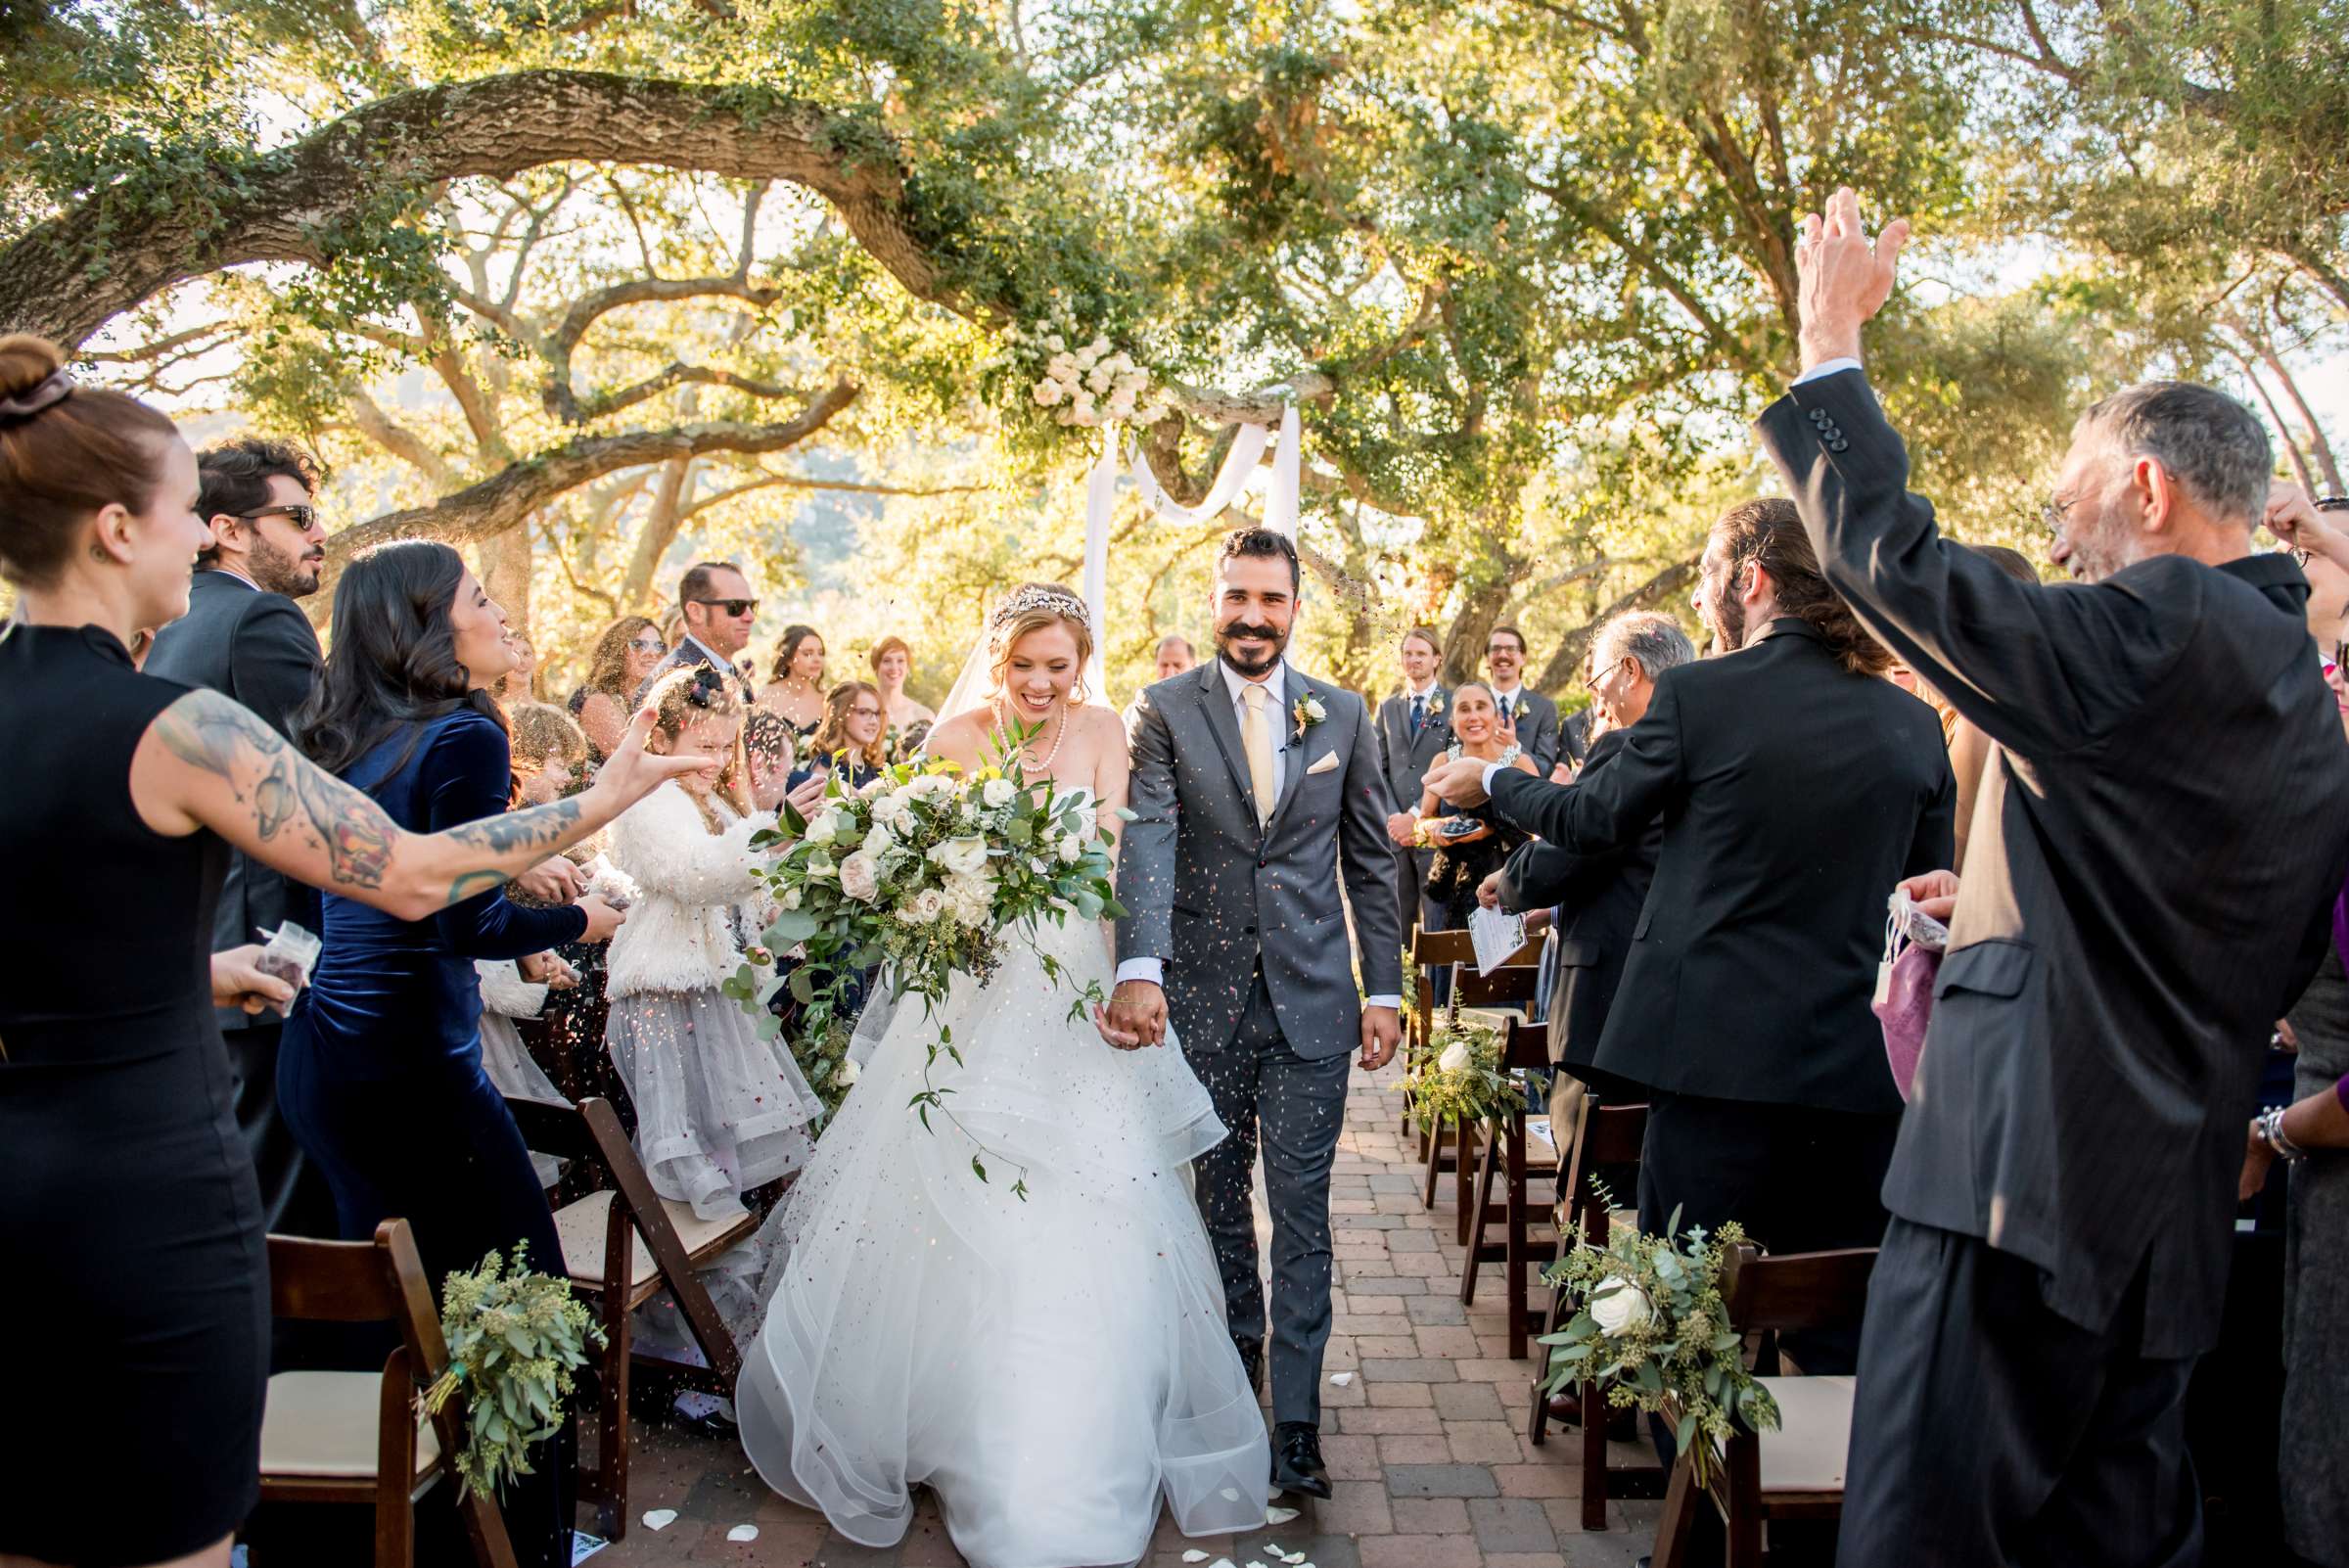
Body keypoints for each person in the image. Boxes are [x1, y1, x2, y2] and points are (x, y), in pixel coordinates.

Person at [0, 335, 707, 1568]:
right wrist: (606, 797)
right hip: (144, 1199)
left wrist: (189, 973)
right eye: (184, 517)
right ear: (118, 529)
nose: (199, 545)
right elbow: (419, 874)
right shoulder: (181, 731)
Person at [1758, 188, 2349, 1568]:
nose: (2062, 538)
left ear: (2149, 487)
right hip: (2170, 1227)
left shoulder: (2161, 626)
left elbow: (1893, 560)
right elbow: (2181, 909)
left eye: (2069, 503)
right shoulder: (2303, 701)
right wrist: (2021, 901)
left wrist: (1829, 339)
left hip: (2017, 1193)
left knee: (1918, 1533)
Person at [738, 582, 1270, 1567]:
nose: (1038, 683)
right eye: (1023, 666)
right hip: (974, 999)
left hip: (1073, 992)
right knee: (948, 1191)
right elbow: (919, 880)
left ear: (1082, 663)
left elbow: (1119, 869)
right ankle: (950, 1410)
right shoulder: (953, 742)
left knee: (1084, 1198)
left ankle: (1069, 1425)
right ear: (997, 659)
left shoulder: (1109, 730)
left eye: (1056, 667)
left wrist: (1128, 983)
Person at [1425, 496, 1955, 1302]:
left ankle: (1690, 1434)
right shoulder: (1915, 726)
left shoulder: (1702, 696)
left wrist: (1493, 780)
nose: (1702, 603)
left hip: (1711, 1063)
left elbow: (1593, 818)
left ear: (1752, 579)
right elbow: (1926, 905)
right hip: (1854, 1078)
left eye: (1709, 581)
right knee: (1829, 1311)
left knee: (1684, 1305)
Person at [277, 540, 641, 1568]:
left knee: (388, 1306)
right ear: (434, 625)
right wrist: (586, 928)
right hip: (416, 1072)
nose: (499, 613)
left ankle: (372, 1530)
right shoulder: (465, 735)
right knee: (517, 1302)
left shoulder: (334, 733)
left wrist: (529, 871)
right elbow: (457, 928)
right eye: (481, 597)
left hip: (326, 1059)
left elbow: (333, 902)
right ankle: (516, 1543)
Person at [1107, 530, 1405, 1501]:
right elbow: (1148, 836)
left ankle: (1300, 1430)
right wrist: (1139, 967)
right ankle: (1238, 1390)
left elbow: (1369, 859)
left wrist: (1387, 988)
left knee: (1306, 1221)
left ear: (1294, 609)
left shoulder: (1346, 713)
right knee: (1220, 1211)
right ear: (1215, 600)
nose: (1252, 615)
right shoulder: (1163, 709)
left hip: (1315, 1007)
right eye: (1238, 596)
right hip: (1198, 1005)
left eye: (1271, 600)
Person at [142, 434, 336, 1239]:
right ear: (228, 529)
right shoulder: (262, 619)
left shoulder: (179, 627)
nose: (318, 532)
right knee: (293, 1215)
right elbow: (328, 781)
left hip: (210, 946)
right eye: (298, 516)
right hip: (273, 957)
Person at [602, 666, 823, 1221]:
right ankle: (681, 1278)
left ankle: (717, 1267)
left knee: (724, 1148)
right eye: (704, 745)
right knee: (684, 1155)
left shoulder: (715, 805)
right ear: (661, 739)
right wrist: (778, 828)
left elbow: (745, 890)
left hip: (712, 993)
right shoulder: (648, 800)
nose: (717, 761)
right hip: (663, 998)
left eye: (727, 747)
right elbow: (697, 876)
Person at [1484, 611, 1690, 1099]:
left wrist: (1510, 881)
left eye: (1598, 680)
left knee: (1587, 1150)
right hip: (1677, 995)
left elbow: (1580, 845)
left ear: (1630, 671)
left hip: (1607, 995)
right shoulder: (1702, 748)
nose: (1597, 698)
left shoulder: (1623, 746)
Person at [1396, 679, 1537, 930]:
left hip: (1505, 884)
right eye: (1464, 709)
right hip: (1451, 888)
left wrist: (1494, 830)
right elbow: (1421, 827)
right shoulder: (1442, 762)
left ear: (1495, 716)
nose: (1473, 716)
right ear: (1452, 720)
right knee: (1451, 963)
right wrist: (1436, 829)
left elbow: (1539, 831)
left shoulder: (1519, 763)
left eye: (1481, 706)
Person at [1375, 625, 1451, 944]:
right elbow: (1377, 768)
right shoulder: (1387, 708)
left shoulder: (1455, 703)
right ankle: (1404, 991)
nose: (1413, 659)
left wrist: (1417, 816)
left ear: (1437, 659)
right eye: (1408, 653)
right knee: (1399, 926)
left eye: (1421, 653)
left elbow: (1455, 764)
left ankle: (1440, 993)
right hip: (1396, 836)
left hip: (1435, 830)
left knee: (1438, 925)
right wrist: (1396, 819)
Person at [640, 559, 759, 705]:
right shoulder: (676, 679)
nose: (750, 617)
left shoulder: (735, 675)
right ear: (696, 612)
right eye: (735, 606)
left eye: (752, 606)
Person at [570, 614, 668, 765]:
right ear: (618, 651)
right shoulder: (598, 700)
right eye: (638, 645)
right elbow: (629, 762)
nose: (652, 653)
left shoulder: (657, 700)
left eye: (659, 646)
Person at [1485, 623, 1563, 773]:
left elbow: (1545, 769)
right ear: (1487, 658)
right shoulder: (1472, 705)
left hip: (1522, 793)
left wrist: (1515, 747)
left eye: (1510, 649)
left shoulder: (1544, 708)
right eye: (1495, 649)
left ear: (1523, 658)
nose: (1503, 654)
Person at [790, 678, 891, 793]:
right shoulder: (827, 765)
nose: (874, 721)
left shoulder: (874, 769)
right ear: (841, 714)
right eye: (863, 712)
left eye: (877, 713)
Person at [869, 633, 936, 758]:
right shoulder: (865, 712)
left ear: (907, 667)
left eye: (900, 661)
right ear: (876, 666)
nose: (894, 667)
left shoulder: (923, 714)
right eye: (887, 661)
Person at [758, 623, 828, 737]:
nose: (817, 659)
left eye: (820, 653)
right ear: (789, 659)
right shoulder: (767, 696)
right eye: (808, 654)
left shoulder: (826, 700)